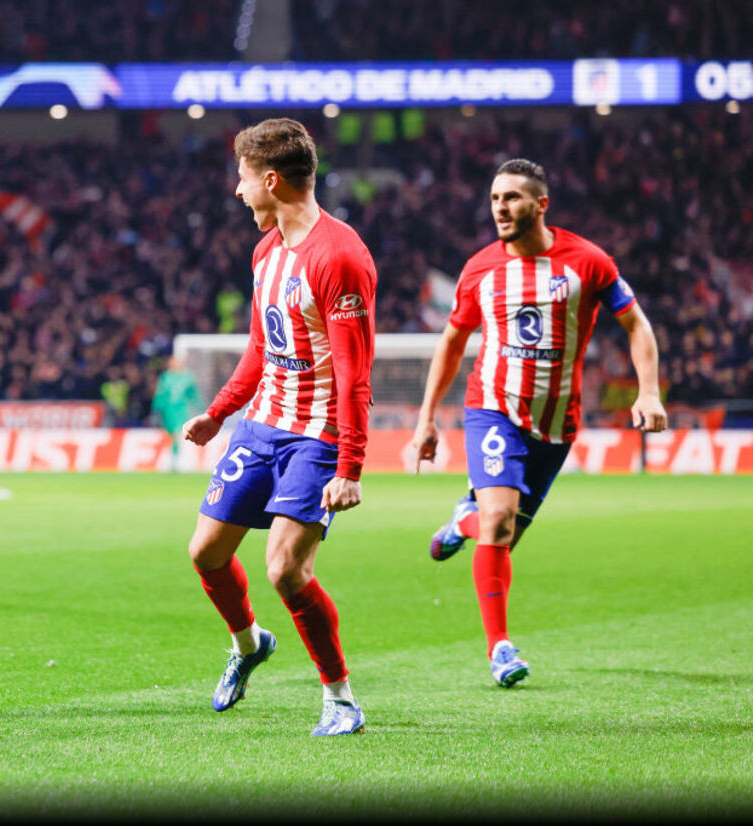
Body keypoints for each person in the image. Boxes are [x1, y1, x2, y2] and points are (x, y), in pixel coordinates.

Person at [411, 158, 668, 688]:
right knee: (500, 521)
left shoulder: (588, 262)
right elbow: (453, 343)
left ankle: (464, 520)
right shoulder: (480, 269)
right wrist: (426, 419)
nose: (501, 208)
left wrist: (648, 391)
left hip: (557, 423)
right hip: (493, 407)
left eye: (512, 198)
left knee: (500, 535)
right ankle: (499, 648)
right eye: (495, 199)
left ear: (540, 204)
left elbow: (636, 324)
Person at [182, 118, 377, 736]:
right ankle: (248, 645)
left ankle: (341, 698)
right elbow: (261, 348)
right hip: (262, 426)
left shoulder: (338, 256)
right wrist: (220, 412)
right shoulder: (267, 250)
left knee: (286, 570)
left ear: (270, 180)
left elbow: (354, 374)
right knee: (206, 553)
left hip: (317, 436)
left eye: (243, 179)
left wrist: (350, 467)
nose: (238, 193)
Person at [151, 355, 201, 471]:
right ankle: (173, 458)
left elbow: (193, 394)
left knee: (177, 433)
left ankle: (176, 460)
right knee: (170, 434)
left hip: (181, 411)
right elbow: (160, 394)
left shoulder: (187, 377)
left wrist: (201, 407)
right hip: (168, 411)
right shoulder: (166, 377)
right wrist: (156, 409)